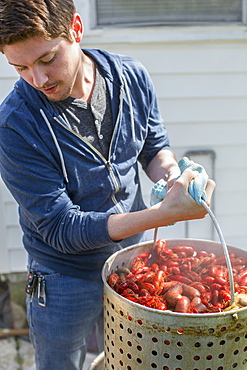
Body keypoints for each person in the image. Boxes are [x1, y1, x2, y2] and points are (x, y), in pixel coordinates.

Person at [0, 1, 215, 369]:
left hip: (131, 264)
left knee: (131, 360)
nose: (38, 79)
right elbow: (60, 227)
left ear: (76, 29)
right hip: (63, 276)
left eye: (48, 58)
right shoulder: (15, 127)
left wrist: (175, 178)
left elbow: (153, 147)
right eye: (20, 67)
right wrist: (160, 215)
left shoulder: (130, 75)